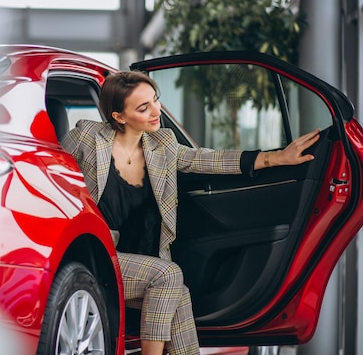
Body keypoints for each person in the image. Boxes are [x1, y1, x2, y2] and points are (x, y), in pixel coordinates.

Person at [60, 70, 320, 355]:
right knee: (169, 275)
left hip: (139, 264)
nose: (156, 111)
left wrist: (275, 158)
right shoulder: (87, 137)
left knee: (178, 294)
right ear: (119, 116)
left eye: (155, 100)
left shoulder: (163, 144)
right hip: (98, 256)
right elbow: (50, 168)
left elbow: (205, 159)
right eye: (143, 107)